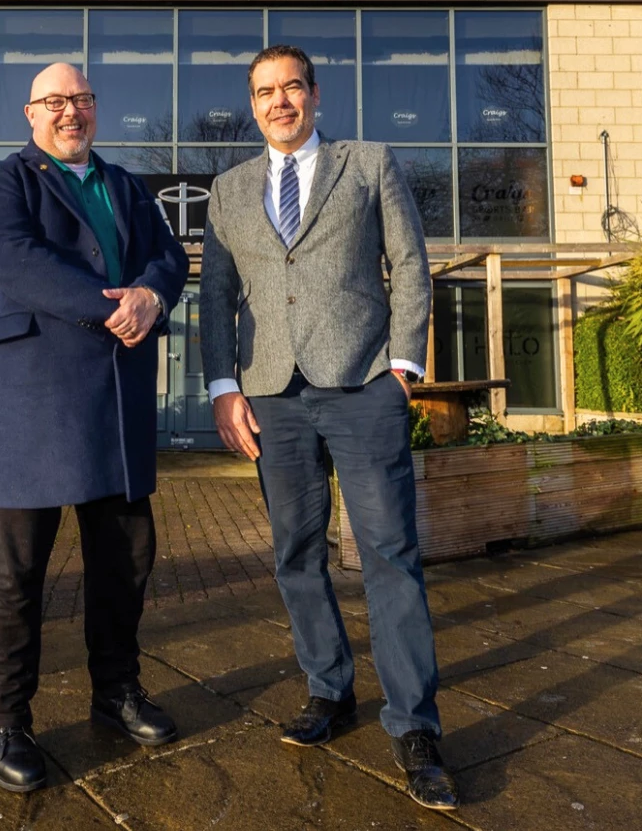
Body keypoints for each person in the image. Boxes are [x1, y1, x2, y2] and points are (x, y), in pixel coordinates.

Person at [198, 45, 457, 810]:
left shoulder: (368, 162)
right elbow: (215, 297)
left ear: (314, 95)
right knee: (295, 554)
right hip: (271, 396)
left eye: (292, 88)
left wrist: (403, 366)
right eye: (264, 92)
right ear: (253, 105)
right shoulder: (228, 189)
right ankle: (328, 690)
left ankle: (415, 725)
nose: (280, 102)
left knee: (389, 554)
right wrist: (222, 388)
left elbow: (410, 264)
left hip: (362, 384)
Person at [0, 62, 190, 794]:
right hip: (38, 399)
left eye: (82, 99)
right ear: (31, 115)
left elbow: (169, 255)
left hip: (118, 397)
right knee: (17, 570)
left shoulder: (125, 184)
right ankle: (5, 719)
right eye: (56, 101)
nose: (71, 112)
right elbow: (16, 261)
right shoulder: (5, 182)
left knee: (125, 559)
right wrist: (116, 308)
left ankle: (116, 691)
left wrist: (153, 294)